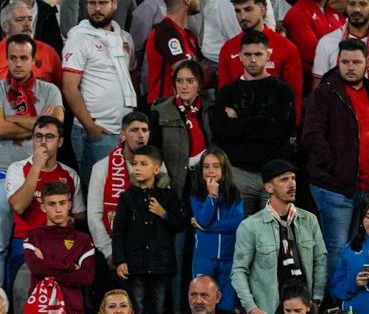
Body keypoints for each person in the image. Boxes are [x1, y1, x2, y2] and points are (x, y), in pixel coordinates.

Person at [304, 40, 369, 299]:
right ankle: (333, 303)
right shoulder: (326, 92)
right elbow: (312, 135)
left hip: (364, 187)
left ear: (367, 64)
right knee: (337, 248)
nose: (350, 68)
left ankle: (349, 303)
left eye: (356, 62)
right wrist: (336, 166)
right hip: (334, 187)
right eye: (345, 62)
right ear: (337, 63)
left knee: (354, 249)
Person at [0, 34, 65, 283]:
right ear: (6, 59)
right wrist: (39, 122)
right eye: (13, 58)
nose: (18, 63)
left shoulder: (50, 90)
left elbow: (55, 126)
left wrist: (13, 119)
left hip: (39, 174)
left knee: (39, 242)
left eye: (24, 58)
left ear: (34, 61)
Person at [231, 160, 327, 314]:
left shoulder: (309, 220)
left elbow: (321, 261)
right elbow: (238, 272)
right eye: (284, 180)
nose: (292, 184)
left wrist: (315, 300)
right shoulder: (251, 226)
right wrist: (251, 308)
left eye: (293, 179)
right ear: (269, 187)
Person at [61, 0, 138, 187]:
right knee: (98, 192)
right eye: (91, 3)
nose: (96, 9)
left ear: (115, 4)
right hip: (97, 130)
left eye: (102, 3)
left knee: (122, 191)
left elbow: (129, 74)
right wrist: (90, 126)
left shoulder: (125, 38)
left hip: (124, 128)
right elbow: (69, 86)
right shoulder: (79, 38)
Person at [211, 31, 297, 215]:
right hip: (239, 172)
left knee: (274, 235)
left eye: (258, 54)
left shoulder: (283, 91)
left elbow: (280, 130)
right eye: (248, 54)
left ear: (268, 54)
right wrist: (263, 122)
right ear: (240, 56)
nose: (253, 59)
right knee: (241, 235)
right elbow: (224, 130)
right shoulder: (227, 92)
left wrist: (240, 121)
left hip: (275, 173)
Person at [111, 145, 186, 314]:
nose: (137, 168)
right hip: (136, 265)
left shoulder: (168, 196)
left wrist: (164, 214)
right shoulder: (127, 198)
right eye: (135, 164)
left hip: (161, 265)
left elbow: (180, 224)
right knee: (137, 309)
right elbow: (119, 230)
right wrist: (120, 260)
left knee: (160, 310)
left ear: (156, 168)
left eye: (143, 164)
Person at [5, 115, 85, 291]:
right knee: (24, 299)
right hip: (26, 242)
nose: (43, 142)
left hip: (60, 243)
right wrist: (37, 166)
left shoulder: (70, 174)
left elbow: (80, 215)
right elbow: (18, 206)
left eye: (49, 137)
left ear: (60, 142)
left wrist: (71, 220)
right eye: (38, 136)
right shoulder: (18, 169)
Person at [217, 0, 304, 123]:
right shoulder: (228, 49)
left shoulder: (287, 48)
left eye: (248, 9)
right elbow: (223, 97)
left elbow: (295, 96)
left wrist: (292, 133)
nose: (243, 16)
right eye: (238, 11)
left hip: (275, 131)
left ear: (263, 10)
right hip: (239, 133)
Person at [85, 111, 154, 271]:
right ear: (122, 135)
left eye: (144, 130)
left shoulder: (158, 167)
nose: (140, 135)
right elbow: (94, 216)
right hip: (113, 254)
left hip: (149, 255)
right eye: (134, 130)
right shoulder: (102, 168)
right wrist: (109, 252)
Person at [22, 179, 96, 314]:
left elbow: (86, 276)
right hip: (40, 311)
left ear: (69, 205)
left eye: (62, 203)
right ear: (43, 207)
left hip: (72, 313)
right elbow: (37, 267)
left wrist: (50, 273)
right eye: (52, 204)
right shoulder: (33, 236)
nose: (58, 209)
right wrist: (70, 266)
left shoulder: (83, 240)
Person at [185, 149, 243, 309]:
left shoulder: (234, 193)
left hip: (228, 257)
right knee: (202, 303)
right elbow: (203, 219)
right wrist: (212, 196)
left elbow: (237, 223)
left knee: (227, 304)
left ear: (224, 170)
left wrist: (206, 228)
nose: (210, 170)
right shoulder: (196, 193)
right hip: (204, 258)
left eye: (216, 166)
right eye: (206, 166)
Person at [149, 60, 211, 200]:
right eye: (179, 81)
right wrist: (162, 179)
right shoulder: (160, 111)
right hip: (173, 183)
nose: (184, 87)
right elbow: (153, 150)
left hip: (204, 180)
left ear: (199, 84)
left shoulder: (211, 110)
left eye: (190, 81)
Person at [283, 0, 344, 84]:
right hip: (312, 92)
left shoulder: (335, 14)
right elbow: (315, 55)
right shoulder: (297, 14)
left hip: (336, 87)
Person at [143, 0, 203, 104]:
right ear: (186, 0)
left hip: (183, 107)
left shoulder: (189, 35)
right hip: (164, 108)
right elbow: (184, 72)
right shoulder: (166, 32)